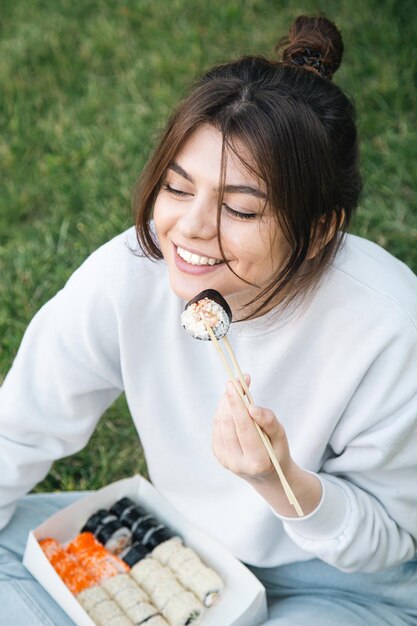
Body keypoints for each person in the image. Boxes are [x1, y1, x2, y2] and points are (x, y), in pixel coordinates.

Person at [0, 13, 416, 626]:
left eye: (240, 209)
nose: (190, 230)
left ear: (322, 227)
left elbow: (393, 537)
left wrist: (282, 484)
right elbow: (19, 430)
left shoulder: (390, 326)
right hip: (175, 540)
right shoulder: (129, 274)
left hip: (335, 588)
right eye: (176, 188)